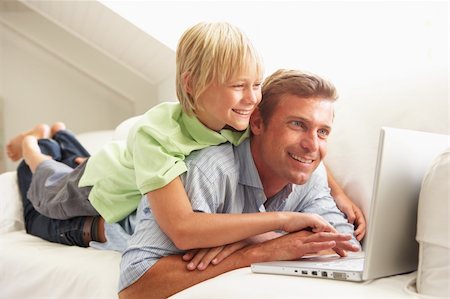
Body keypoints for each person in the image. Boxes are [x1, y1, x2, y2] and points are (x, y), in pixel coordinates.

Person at [6, 22, 365, 250]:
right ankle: (33, 142)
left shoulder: (238, 118)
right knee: (46, 185)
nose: (252, 99)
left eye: (255, 85)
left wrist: (338, 191)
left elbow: (302, 147)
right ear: (193, 85)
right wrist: (281, 224)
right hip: (97, 186)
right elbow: (182, 226)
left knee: (82, 157)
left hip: (127, 170)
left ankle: (61, 135)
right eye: (238, 86)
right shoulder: (157, 138)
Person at [118, 69, 361, 299]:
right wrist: (260, 252)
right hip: (95, 207)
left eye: (323, 132)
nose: (312, 146)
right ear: (256, 123)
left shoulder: (312, 176)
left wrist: (256, 238)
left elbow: (346, 249)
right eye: (297, 124)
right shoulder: (209, 169)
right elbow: (134, 286)